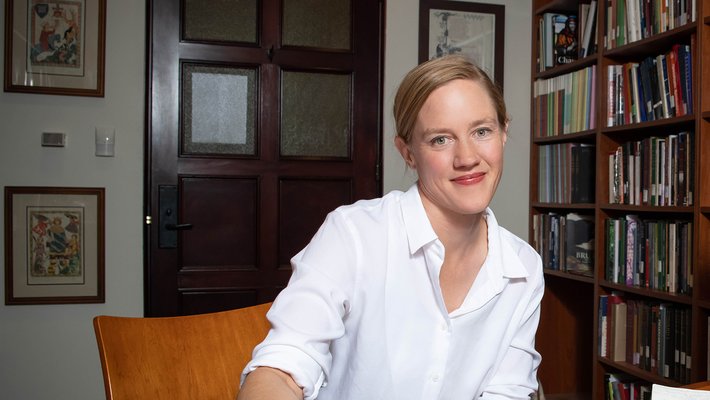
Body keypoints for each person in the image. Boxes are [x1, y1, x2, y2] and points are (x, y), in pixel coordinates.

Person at [239, 55, 544, 400]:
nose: (467, 157)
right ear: (408, 153)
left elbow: (506, 391)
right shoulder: (353, 234)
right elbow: (283, 367)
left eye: (482, 131)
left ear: (505, 132)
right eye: (440, 139)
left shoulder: (524, 268)